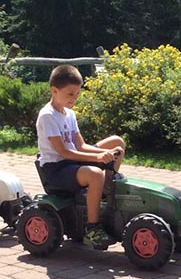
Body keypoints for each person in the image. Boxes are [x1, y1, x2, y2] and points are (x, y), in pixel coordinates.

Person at [36, 64, 126, 250]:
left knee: (117, 142)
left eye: (77, 94)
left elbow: (80, 146)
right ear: (54, 90)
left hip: (72, 161)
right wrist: (98, 158)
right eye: (70, 94)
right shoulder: (47, 116)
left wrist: (104, 153)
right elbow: (64, 152)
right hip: (57, 169)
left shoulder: (70, 114)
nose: (74, 98)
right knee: (95, 173)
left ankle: (104, 191)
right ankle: (92, 229)